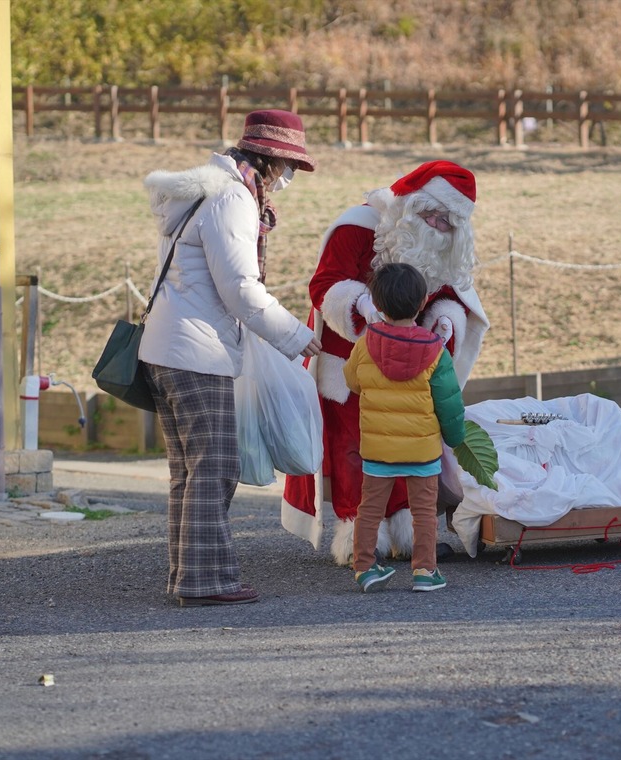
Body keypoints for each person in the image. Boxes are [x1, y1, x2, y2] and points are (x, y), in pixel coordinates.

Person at [139, 109, 322, 607]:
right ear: (269, 160)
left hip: (166, 347)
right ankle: (207, 580)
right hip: (197, 351)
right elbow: (240, 287)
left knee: (189, 473)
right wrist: (294, 334)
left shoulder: (202, 190)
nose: (287, 179)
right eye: (288, 167)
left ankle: (187, 575)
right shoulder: (233, 198)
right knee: (214, 468)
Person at [281, 160, 490, 566]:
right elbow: (325, 285)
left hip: (412, 362)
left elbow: (452, 295)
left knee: (405, 445)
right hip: (351, 358)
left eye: (447, 222)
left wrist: (445, 320)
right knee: (354, 448)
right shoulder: (358, 226)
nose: (437, 227)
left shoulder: (443, 246)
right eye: (430, 215)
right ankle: (359, 533)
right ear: (411, 206)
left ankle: (407, 531)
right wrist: (362, 306)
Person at [344, 262, 466, 592]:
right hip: (422, 452)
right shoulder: (435, 351)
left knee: (370, 510)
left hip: (378, 450)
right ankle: (425, 571)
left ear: (377, 304)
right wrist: (456, 437)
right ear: (423, 302)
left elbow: (352, 381)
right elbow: (449, 402)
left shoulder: (365, 345)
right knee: (424, 513)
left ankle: (364, 567)